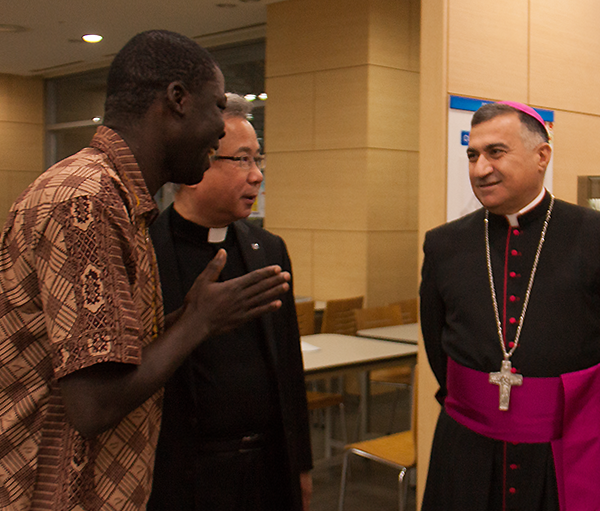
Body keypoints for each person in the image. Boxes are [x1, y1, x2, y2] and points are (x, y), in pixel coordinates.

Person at [0, 31, 291, 511]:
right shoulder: (86, 201)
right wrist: (198, 323)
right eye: (216, 108)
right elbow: (93, 404)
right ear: (176, 100)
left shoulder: (119, 201)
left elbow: (112, 358)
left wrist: (188, 316)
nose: (222, 129)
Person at [420, 101, 600, 511]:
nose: (480, 168)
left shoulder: (593, 237)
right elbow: (437, 342)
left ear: (542, 156)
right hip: (466, 448)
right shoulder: (444, 244)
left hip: (565, 451)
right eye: (472, 155)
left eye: (496, 152)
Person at [146, 93, 313, 511]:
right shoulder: (146, 251)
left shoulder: (268, 250)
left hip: (268, 469)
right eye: (241, 160)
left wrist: (302, 467)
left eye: (258, 159)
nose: (257, 176)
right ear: (198, 163)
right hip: (185, 476)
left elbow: (290, 369)